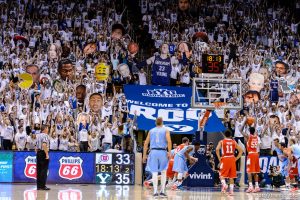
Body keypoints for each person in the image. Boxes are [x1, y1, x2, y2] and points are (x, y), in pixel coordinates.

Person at [143, 117, 172, 198]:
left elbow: (146, 143)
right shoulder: (166, 130)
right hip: (162, 152)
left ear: (155, 122)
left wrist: (144, 155)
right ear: (162, 122)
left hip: (153, 152)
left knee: (154, 172)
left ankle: (155, 192)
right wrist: (169, 152)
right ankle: (162, 191)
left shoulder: (151, 130)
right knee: (163, 172)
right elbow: (169, 141)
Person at [216, 129, 243, 196]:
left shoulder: (222, 141)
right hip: (232, 158)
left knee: (221, 174)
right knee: (231, 176)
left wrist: (220, 159)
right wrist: (236, 159)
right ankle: (231, 191)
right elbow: (241, 151)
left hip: (225, 158)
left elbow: (217, 149)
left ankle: (224, 185)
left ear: (224, 135)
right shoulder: (234, 142)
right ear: (230, 135)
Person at [241, 127, 261, 193]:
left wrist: (245, 122)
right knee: (255, 172)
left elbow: (240, 130)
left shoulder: (249, 137)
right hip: (256, 154)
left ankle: (250, 187)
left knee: (249, 171)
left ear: (249, 131)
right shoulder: (256, 137)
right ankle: (257, 186)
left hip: (251, 154)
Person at [35, 125, 50, 190]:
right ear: (45, 129)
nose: (48, 129)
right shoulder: (45, 135)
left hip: (38, 153)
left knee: (39, 170)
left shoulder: (38, 135)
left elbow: (35, 145)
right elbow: (44, 145)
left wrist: (37, 152)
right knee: (44, 170)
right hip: (43, 153)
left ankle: (38, 186)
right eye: (47, 128)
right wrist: (46, 154)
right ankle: (43, 186)